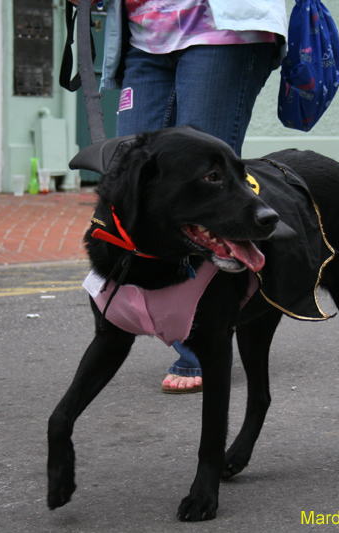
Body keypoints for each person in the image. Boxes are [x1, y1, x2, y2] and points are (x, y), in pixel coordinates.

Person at [68, 0, 287, 391]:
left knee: (208, 193)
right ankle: (121, 319)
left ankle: (199, 345)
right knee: (132, 183)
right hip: (146, 31)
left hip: (219, 27)